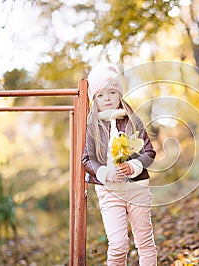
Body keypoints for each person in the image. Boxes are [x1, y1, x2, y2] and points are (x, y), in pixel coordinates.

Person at [82, 62, 157, 265]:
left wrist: (134, 166)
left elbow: (149, 151)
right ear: (93, 99)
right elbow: (86, 159)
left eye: (112, 92)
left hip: (137, 190)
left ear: (120, 95)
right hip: (109, 193)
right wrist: (105, 172)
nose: (107, 98)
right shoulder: (92, 126)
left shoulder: (132, 120)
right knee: (117, 244)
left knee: (145, 241)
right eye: (100, 94)